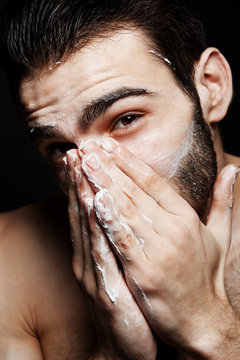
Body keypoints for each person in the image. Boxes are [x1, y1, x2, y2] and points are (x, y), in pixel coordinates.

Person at [0, 0, 240, 358]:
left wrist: (211, 330)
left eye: (126, 119)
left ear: (211, 86)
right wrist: (113, 352)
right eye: (61, 147)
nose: (95, 175)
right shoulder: (8, 262)